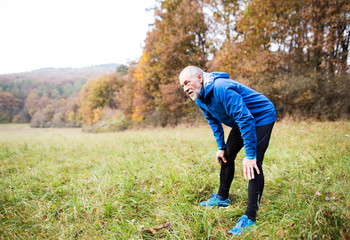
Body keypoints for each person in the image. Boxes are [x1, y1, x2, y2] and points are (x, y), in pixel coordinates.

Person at [179, 66, 276, 235]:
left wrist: (250, 154)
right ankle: (222, 198)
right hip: (243, 119)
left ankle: (250, 217)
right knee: (226, 156)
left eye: (187, 83)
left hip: (261, 116)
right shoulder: (200, 98)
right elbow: (214, 122)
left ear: (200, 78)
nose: (185, 88)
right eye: (182, 86)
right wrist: (220, 147)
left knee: (254, 164)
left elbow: (245, 118)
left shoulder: (221, 88)